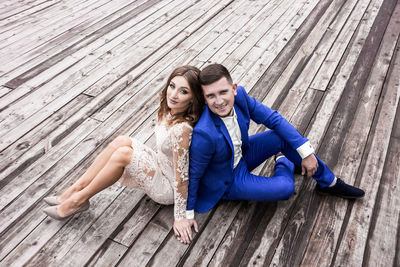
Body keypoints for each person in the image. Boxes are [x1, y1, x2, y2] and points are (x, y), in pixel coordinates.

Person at [43, 65, 204, 244]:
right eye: (172, 86)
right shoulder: (170, 109)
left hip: (169, 187)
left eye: (183, 92)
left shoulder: (182, 129)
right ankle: (75, 189)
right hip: (161, 165)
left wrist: (181, 216)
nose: (173, 95)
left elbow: (182, 178)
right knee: (122, 141)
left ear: (193, 99)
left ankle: (79, 200)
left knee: (124, 155)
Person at [186, 63, 364, 219]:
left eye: (223, 92)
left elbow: (274, 119)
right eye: (211, 96)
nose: (219, 101)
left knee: (280, 136)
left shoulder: (240, 96)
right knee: (285, 188)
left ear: (233, 88)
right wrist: (185, 214)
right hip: (228, 178)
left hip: (242, 154)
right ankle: (283, 161)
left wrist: (307, 153)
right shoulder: (204, 133)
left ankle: (329, 182)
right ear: (204, 97)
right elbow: (193, 174)